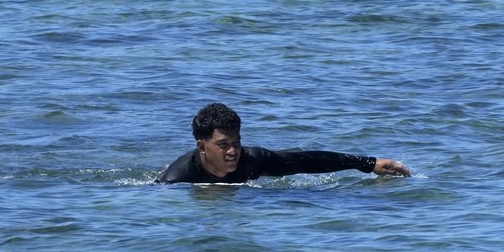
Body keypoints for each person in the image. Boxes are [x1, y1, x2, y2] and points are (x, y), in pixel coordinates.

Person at [156, 102, 411, 184]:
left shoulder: (253, 159)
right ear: (202, 147)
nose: (233, 151)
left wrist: (368, 163)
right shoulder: (177, 178)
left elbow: (307, 161)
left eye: (237, 142)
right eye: (223, 145)